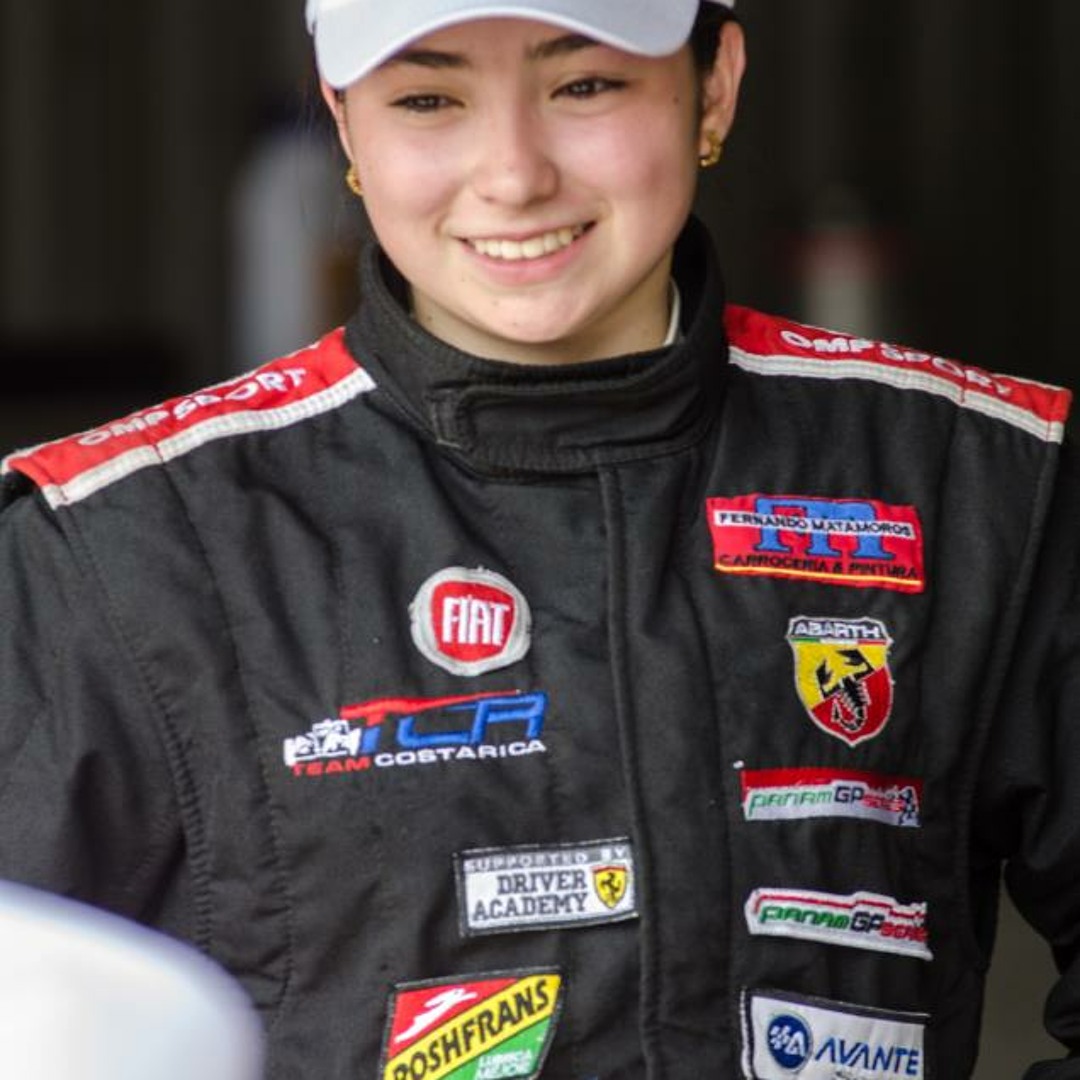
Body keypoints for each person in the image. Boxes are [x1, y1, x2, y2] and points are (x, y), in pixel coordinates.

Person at [0, 2, 1077, 1078]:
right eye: (430, 99)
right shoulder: (116, 545)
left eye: (584, 86)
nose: (514, 176)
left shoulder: (980, 478)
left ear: (713, 88)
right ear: (345, 123)